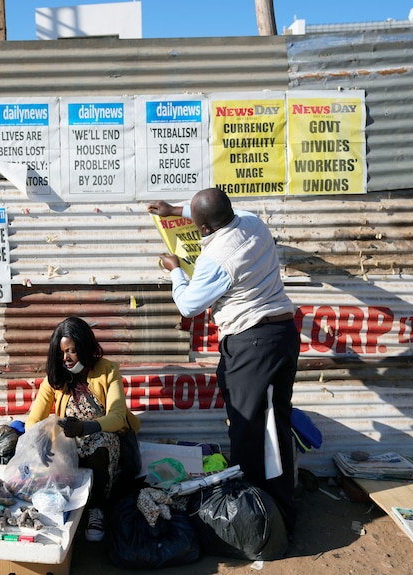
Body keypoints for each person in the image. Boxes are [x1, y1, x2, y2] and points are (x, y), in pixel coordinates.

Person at [147, 188, 300, 533]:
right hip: (282, 336)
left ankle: (256, 520)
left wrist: (174, 270)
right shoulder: (253, 222)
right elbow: (216, 212)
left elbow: (189, 306)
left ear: (203, 230)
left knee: (248, 431)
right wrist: (174, 209)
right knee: (274, 426)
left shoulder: (215, 259)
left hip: (253, 344)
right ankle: (278, 507)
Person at [25, 316, 141, 543]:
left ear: (85, 347)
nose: (66, 358)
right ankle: (65, 508)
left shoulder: (108, 371)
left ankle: (96, 508)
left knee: (100, 442)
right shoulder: (55, 379)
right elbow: (33, 420)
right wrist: (41, 436)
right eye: (61, 353)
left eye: (72, 351)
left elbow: (117, 417)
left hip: (105, 445)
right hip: (71, 446)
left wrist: (84, 428)